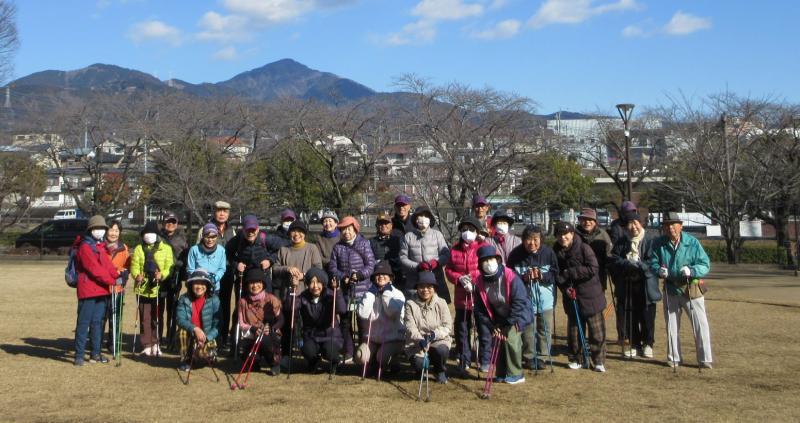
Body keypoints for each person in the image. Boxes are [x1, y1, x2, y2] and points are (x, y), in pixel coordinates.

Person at [649, 211, 713, 369]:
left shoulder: (692, 242)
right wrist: (659, 270)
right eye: (666, 225)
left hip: (691, 288)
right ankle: (674, 358)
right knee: (671, 326)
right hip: (670, 288)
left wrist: (692, 270)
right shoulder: (659, 243)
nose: (670, 228)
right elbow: (653, 262)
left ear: (680, 226)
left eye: (673, 224)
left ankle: (705, 359)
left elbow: (705, 264)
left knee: (700, 325)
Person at [553, 221, 607, 372]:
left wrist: (570, 272)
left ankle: (598, 361)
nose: (563, 237)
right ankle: (576, 358)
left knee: (596, 331)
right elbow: (556, 274)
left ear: (572, 234)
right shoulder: (556, 252)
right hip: (572, 296)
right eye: (559, 235)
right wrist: (564, 288)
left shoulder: (584, 248)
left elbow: (593, 268)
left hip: (591, 295)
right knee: (574, 331)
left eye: (566, 234)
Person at [473, 245, 532, 384]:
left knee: (511, 339)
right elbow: (480, 308)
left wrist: (507, 323)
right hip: (498, 317)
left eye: (491, 259)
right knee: (497, 340)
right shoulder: (480, 281)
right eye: (484, 261)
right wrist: (492, 325)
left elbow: (520, 302)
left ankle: (516, 373)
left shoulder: (511, 276)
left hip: (517, 314)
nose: (488, 263)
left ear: (498, 260)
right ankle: (501, 373)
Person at [609, 210, 661, 358]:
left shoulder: (651, 240)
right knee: (630, 315)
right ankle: (634, 344)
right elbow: (613, 258)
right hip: (627, 284)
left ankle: (648, 343)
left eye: (635, 223)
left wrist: (639, 265)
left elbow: (654, 261)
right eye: (629, 224)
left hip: (646, 284)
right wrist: (627, 263)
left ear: (641, 223)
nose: (633, 227)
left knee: (647, 316)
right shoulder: (622, 241)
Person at [507, 224, 559, 371]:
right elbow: (510, 276)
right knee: (528, 329)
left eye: (536, 239)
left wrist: (542, 275)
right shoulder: (516, 254)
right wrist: (523, 277)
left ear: (541, 239)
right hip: (525, 299)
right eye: (529, 240)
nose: (532, 243)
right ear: (523, 240)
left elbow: (555, 273)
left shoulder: (548, 253)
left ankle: (542, 356)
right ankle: (529, 356)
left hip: (546, 299)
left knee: (545, 329)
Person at [327, 215, 376, 362]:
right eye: (343, 230)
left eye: (349, 229)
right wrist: (343, 277)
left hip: (362, 289)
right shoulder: (337, 247)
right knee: (345, 321)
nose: (346, 232)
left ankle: (362, 352)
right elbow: (332, 267)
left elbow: (370, 264)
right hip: (345, 290)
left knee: (362, 321)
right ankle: (348, 351)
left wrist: (359, 275)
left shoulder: (364, 244)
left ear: (355, 229)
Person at [73, 215, 120, 366]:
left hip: (102, 291)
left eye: (102, 228)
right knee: (84, 323)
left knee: (97, 323)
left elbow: (107, 266)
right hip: (88, 291)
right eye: (96, 228)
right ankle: (79, 355)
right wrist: (112, 281)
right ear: (90, 230)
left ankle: (96, 354)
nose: (99, 231)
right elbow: (94, 269)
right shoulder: (85, 247)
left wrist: (117, 276)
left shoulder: (99, 246)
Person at [444, 216, 488, 373]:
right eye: (464, 230)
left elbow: (488, 266)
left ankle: (485, 359)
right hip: (462, 297)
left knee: (483, 328)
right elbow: (448, 270)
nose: (467, 232)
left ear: (477, 232)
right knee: (462, 329)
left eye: (471, 229)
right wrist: (459, 278)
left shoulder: (483, 247)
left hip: (480, 295)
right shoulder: (454, 249)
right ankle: (464, 358)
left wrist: (473, 277)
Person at [196, 201, 236, 352]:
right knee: (207, 306)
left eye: (225, 211)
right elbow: (198, 251)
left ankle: (223, 338)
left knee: (224, 306)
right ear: (214, 212)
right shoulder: (204, 230)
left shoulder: (232, 231)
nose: (222, 214)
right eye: (219, 210)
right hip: (208, 276)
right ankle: (206, 338)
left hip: (226, 274)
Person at [355, 260, 406, 376]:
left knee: (381, 357)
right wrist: (370, 294)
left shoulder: (397, 294)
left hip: (393, 339)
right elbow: (362, 314)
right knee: (360, 356)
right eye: (378, 274)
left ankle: (393, 361)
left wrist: (386, 294)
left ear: (390, 278)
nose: (381, 276)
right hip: (373, 339)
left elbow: (391, 312)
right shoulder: (370, 293)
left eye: (384, 274)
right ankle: (373, 363)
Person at [131, 220, 174, 356]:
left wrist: (162, 275)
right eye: (146, 233)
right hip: (142, 288)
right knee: (144, 318)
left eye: (152, 233)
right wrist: (136, 275)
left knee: (157, 317)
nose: (149, 236)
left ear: (157, 235)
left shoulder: (166, 248)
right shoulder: (138, 248)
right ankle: (147, 344)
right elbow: (134, 265)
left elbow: (169, 266)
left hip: (158, 288)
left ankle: (156, 343)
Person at [404, 271, 453, 384]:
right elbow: (410, 326)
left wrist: (434, 335)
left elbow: (447, 326)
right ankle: (420, 371)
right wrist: (420, 339)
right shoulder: (410, 304)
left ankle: (439, 370)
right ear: (417, 288)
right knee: (419, 363)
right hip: (417, 342)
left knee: (442, 350)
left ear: (434, 288)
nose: (425, 290)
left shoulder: (442, 302)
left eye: (429, 286)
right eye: (421, 286)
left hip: (438, 339)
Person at [297, 268, 346, 372]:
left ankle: (336, 361)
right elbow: (290, 308)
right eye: (312, 282)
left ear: (323, 283)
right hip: (312, 336)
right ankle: (313, 362)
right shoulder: (303, 296)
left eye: (318, 282)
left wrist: (337, 291)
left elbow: (342, 309)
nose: (315, 286)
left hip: (330, 335)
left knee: (329, 351)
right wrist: (292, 289)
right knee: (307, 350)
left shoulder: (330, 295)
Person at [398, 206, 451, 303]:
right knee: (414, 311)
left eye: (426, 216)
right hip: (414, 281)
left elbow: (446, 254)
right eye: (420, 216)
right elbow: (402, 257)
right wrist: (417, 266)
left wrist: (437, 262)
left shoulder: (437, 235)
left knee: (437, 310)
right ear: (415, 219)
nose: (423, 218)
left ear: (430, 219)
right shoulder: (408, 237)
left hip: (435, 279)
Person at [237, 268, 284, 375]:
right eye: (251, 283)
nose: (255, 285)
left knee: (265, 340)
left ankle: (274, 363)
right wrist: (253, 329)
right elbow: (241, 324)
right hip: (252, 337)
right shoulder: (242, 302)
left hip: (269, 336)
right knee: (249, 358)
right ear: (247, 285)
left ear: (263, 284)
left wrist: (272, 328)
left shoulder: (271, 299)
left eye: (258, 282)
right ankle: (255, 362)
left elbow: (281, 319)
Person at [175, 269, 221, 372]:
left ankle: (207, 356)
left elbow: (218, 325)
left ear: (207, 285)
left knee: (202, 358)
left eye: (202, 283)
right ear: (191, 285)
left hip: (207, 337)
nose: (199, 286)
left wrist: (206, 337)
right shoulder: (183, 299)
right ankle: (186, 360)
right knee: (182, 332)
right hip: (190, 335)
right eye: (196, 283)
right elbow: (180, 319)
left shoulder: (215, 300)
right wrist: (195, 329)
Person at [160, 211, 188, 348]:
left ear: (177, 224)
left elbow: (185, 257)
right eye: (168, 221)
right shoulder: (158, 237)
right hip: (160, 277)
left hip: (174, 277)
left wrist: (181, 269)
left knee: (172, 309)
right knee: (159, 309)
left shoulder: (182, 238)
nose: (170, 224)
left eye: (173, 222)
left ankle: (170, 338)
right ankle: (158, 337)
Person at [273, 221, 323, 292]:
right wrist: (287, 269)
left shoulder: (312, 248)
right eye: (293, 231)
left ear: (304, 234)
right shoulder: (283, 250)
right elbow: (275, 269)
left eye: (300, 231)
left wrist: (304, 275)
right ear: (289, 234)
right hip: (287, 292)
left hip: (306, 292)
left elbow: (318, 269)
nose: (296, 234)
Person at [104, 220, 130, 353]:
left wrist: (123, 274)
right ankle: (96, 343)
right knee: (100, 318)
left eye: (116, 230)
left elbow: (128, 267)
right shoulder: (100, 246)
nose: (113, 233)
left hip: (118, 288)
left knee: (116, 318)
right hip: (101, 288)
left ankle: (113, 343)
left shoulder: (124, 248)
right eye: (111, 230)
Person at [576, 208, 613, 292]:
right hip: (580, 275)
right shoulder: (574, 235)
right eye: (584, 219)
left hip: (599, 276)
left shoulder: (603, 234)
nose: (587, 222)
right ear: (579, 220)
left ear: (595, 221)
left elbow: (609, 253)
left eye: (590, 219)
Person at [186, 224, 227, 294]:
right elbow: (190, 269)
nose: (210, 240)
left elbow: (222, 268)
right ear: (202, 236)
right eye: (207, 236)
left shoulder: (221, 250)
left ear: (217, 236)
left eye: (213, 236)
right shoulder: (194, 250)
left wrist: (215, 278)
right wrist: (200, 279)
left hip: (214, 287)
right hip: (198, 287)